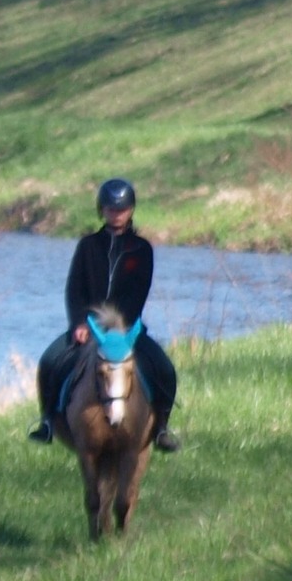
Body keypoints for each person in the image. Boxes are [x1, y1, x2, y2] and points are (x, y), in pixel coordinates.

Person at [29, 178, 180, 451]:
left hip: (127, 329)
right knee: (50, 360)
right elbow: (74, 289)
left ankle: (161, 429)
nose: (116, 214)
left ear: (131, 210)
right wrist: (78, 323)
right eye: (111, 209)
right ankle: (47, 422)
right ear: (102, 210)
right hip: (87, 327)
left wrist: (121, 327)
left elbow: (138, 294)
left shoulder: (142, 250)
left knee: (164, 368)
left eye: (121, 209)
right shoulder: (88, 246)